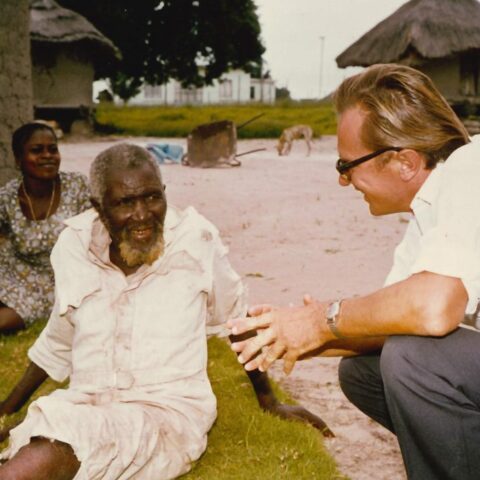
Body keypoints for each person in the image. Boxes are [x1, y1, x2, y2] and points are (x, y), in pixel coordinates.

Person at [0, 143, 330, 480]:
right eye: (125, 203)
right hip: (83, 405)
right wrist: (6, 410)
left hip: (164, 416)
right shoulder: (74, 245)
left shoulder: (195, 240)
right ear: (98, 207)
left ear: (165, 193)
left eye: (152, 197)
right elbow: (58, 339)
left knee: (42, 455)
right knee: (43, 436)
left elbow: (237, 319)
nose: (143, 215)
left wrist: (269, 401)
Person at [228, 63, 480, 480]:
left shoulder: (472, 168)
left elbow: (433, 310)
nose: (344, 182)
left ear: (404, 161)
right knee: (364, 372)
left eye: (346, 166)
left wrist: (322, 320)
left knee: (412, 359)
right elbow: (394, 320)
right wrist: (291, 337)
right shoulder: (431, 211)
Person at [0, 122, 91, 333]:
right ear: (18, 159)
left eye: (53, 149)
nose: (47, 155)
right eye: (36, 150)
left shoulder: (77, 187)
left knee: (5, 322)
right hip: (12, 273)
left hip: (57, 283)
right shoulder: (8, 197)